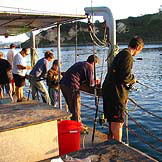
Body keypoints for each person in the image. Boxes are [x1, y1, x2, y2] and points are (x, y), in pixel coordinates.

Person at [102, 36, 144, 142]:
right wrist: (133, 79)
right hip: (116, 94)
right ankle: (118, 146)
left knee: (112, 119)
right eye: (140, 50)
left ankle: (111, 142)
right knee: (118, 122)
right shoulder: (128, 56)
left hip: (109, 92)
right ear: (138, 47)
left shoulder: (122, 53)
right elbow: (125, 76)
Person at [60, 55, 100, 122]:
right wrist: (96, 82)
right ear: (94, 63)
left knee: (71, 107)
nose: (94, 67)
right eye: (95, 65)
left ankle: (74, 123)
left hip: (63, 84)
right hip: (72, 86)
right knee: (75, 108)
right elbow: (91, 84)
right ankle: (77, 126)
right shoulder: (89, 66)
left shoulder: (80, 63)